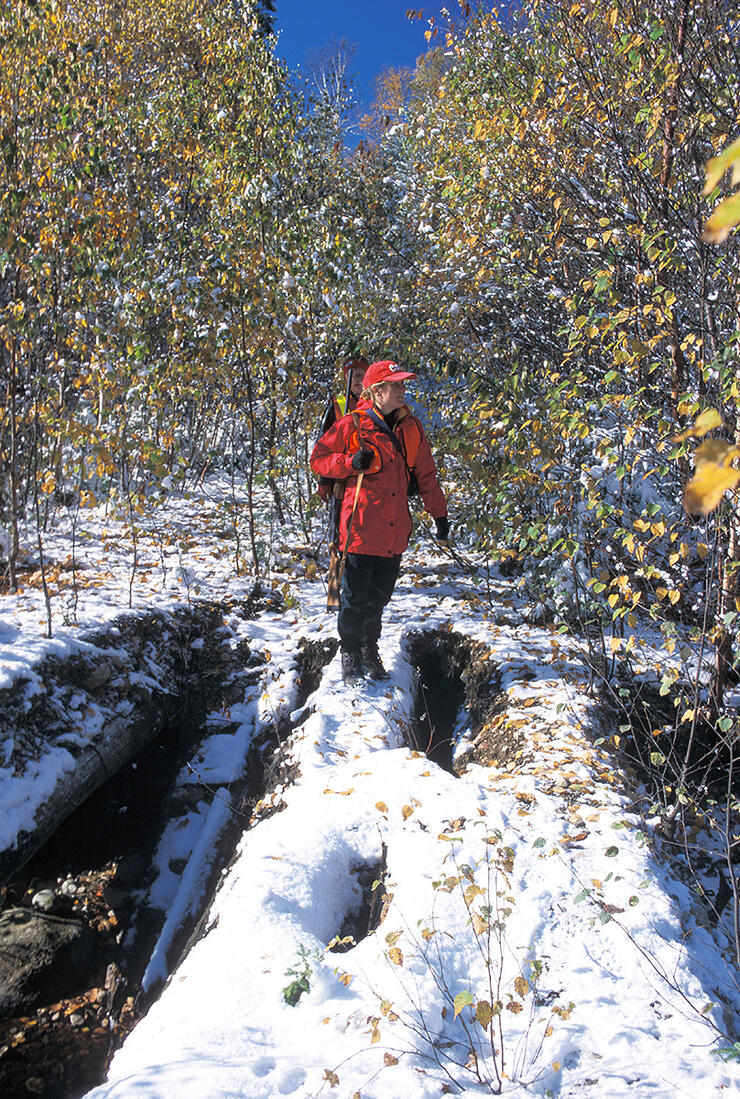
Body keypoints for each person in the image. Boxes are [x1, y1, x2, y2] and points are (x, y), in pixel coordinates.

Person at [310, 359, 449, 685]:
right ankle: (350, 653)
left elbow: (426, 473)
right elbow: (318, 459)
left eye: (403, 384)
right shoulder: (352, 425)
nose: (402, 390)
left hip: (393, 531)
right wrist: (349, 462)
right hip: (358, 530)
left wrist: (439, 512)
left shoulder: (410, 427)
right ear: (376, 391)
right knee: (355, 598)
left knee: (379, 597)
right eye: (395, 385)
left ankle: (370, 649)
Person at [317, 357, 369, 503]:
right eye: (350, 376)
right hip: (343, 481)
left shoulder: (382, 402)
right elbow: (324, 446)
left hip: (376, 478)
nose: (355, 380)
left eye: (360, 374)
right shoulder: (337, 405)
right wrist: (324, 481)